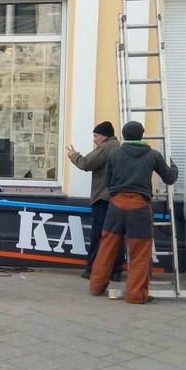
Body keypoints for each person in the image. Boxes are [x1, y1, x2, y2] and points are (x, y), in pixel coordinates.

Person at [89, 121, 178, 304]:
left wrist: (117, 194)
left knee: (106, 248)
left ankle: (96, 287)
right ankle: (136, 295)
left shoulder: (114, 153)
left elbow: (108, 181)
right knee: (140, 254)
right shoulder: (153, 155)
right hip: (140, 209)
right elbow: (169, 178)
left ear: (123, 135)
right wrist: (173, 166)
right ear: (141, 135)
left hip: (116, 207)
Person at [66, 120, 124, 281]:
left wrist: (73, 156)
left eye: (96, 136)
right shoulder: (118, 146)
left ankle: (92, 269)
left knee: (98, 234)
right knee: (116, 235)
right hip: (117, 199)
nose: (94, 139)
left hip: (103, 198)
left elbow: (87, 163)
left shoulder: (106, 147)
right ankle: (116, 271)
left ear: (105, 136)